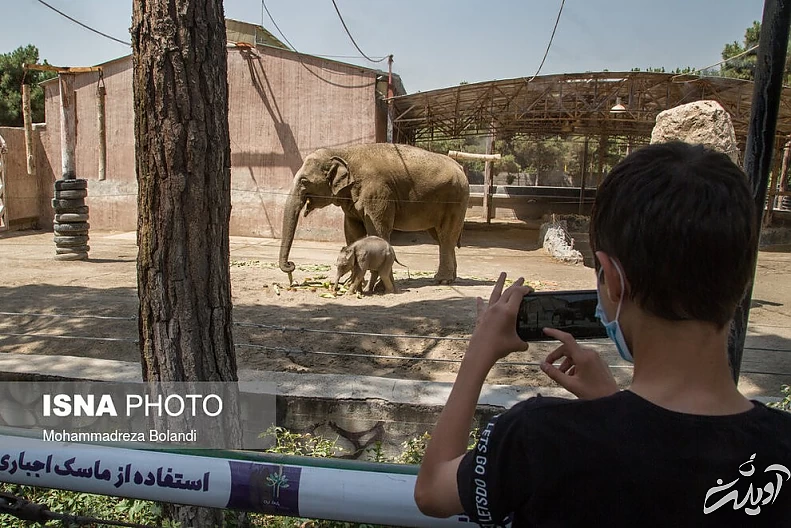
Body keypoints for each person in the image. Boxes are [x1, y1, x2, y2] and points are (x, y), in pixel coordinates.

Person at [413, 142, 791, 527]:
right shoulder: (782, 449)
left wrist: (479, 351)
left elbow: (432, 491)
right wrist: (614, 404)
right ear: (744, 281)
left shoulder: (541, 437)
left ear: (612, 281)